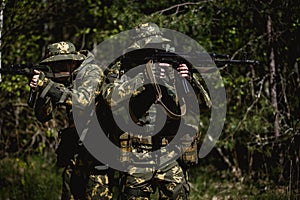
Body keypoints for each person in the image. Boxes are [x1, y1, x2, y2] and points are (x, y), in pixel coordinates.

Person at [101, 22, 211, 200]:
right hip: (136, 152)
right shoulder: (123, 68)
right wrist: (143, 76)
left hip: (169, 149)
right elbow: (109, 97)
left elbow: (204, 105)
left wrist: (188, 80)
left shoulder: (171, 67)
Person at [29, 41, 113, 200]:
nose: (55, 70)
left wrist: (48, 85)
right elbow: (44, 116)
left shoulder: (92, 72)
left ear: (72, 62)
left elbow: (82, 101)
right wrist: (40, 91)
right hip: (76, 148)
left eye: (58, 65)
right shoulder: (65, 78)